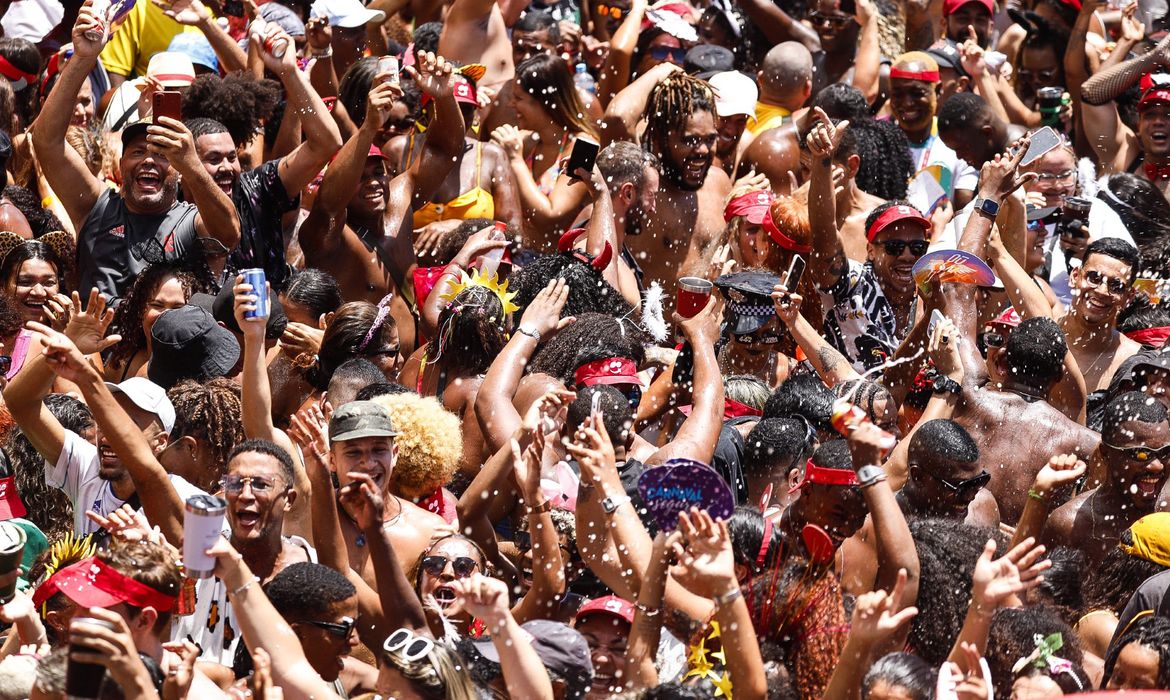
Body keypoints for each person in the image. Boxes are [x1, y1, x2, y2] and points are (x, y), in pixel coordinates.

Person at [32, 6, 240, 299]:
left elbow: (229, 234)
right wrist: (83, 59)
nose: (149, 160)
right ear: (119, 164)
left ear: (180, 169)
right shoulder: (96, 208)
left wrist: (192, 163)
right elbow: (46, 141)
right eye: (138, 151)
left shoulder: (190, 221)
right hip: (96, 344)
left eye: (162, 153)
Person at [298, 52, 464, 358]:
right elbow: (329, 205)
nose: (373, 182)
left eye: (378, 172)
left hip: (413, 365)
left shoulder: (399, 203)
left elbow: (445, 151)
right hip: (357, 373)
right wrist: (369, 126)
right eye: (360, 177)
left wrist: (444, 97)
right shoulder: (328, 236)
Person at [185, 21, 342, 292]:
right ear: (186, 163)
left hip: (270, 326)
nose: (226, 167)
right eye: (213, 159)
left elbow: (327, 143)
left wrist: (290, 73)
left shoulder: (259, 187)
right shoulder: (170, 202)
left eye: (231, 157)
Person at [604, 68, 731, 288]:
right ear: (658, 139)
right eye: (689, 140)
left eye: (710, 139)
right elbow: (617, 118)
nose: (702, 150)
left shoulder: (719, 182)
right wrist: (663, 69)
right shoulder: (639, 187)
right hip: (650, 322)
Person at [1042, 392, 1170, 568]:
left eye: (1165, 452)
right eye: (1141, 453)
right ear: (1105, 454)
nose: (1157, 466)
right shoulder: (1071, 526)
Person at [889, 51, 977, 208]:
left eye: (917, 94)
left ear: (937, 91)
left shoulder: (959, 145)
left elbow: (964, 212)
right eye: (898, 94)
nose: (907, 103)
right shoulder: (877, 143)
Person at [1056, 237, 1142, 392]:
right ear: (1075, 277)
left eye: (1116, 286)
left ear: (1128, 297)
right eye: (1094, 278)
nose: (1102, 291)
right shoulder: (1040, 335)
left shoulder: (1135, 361)